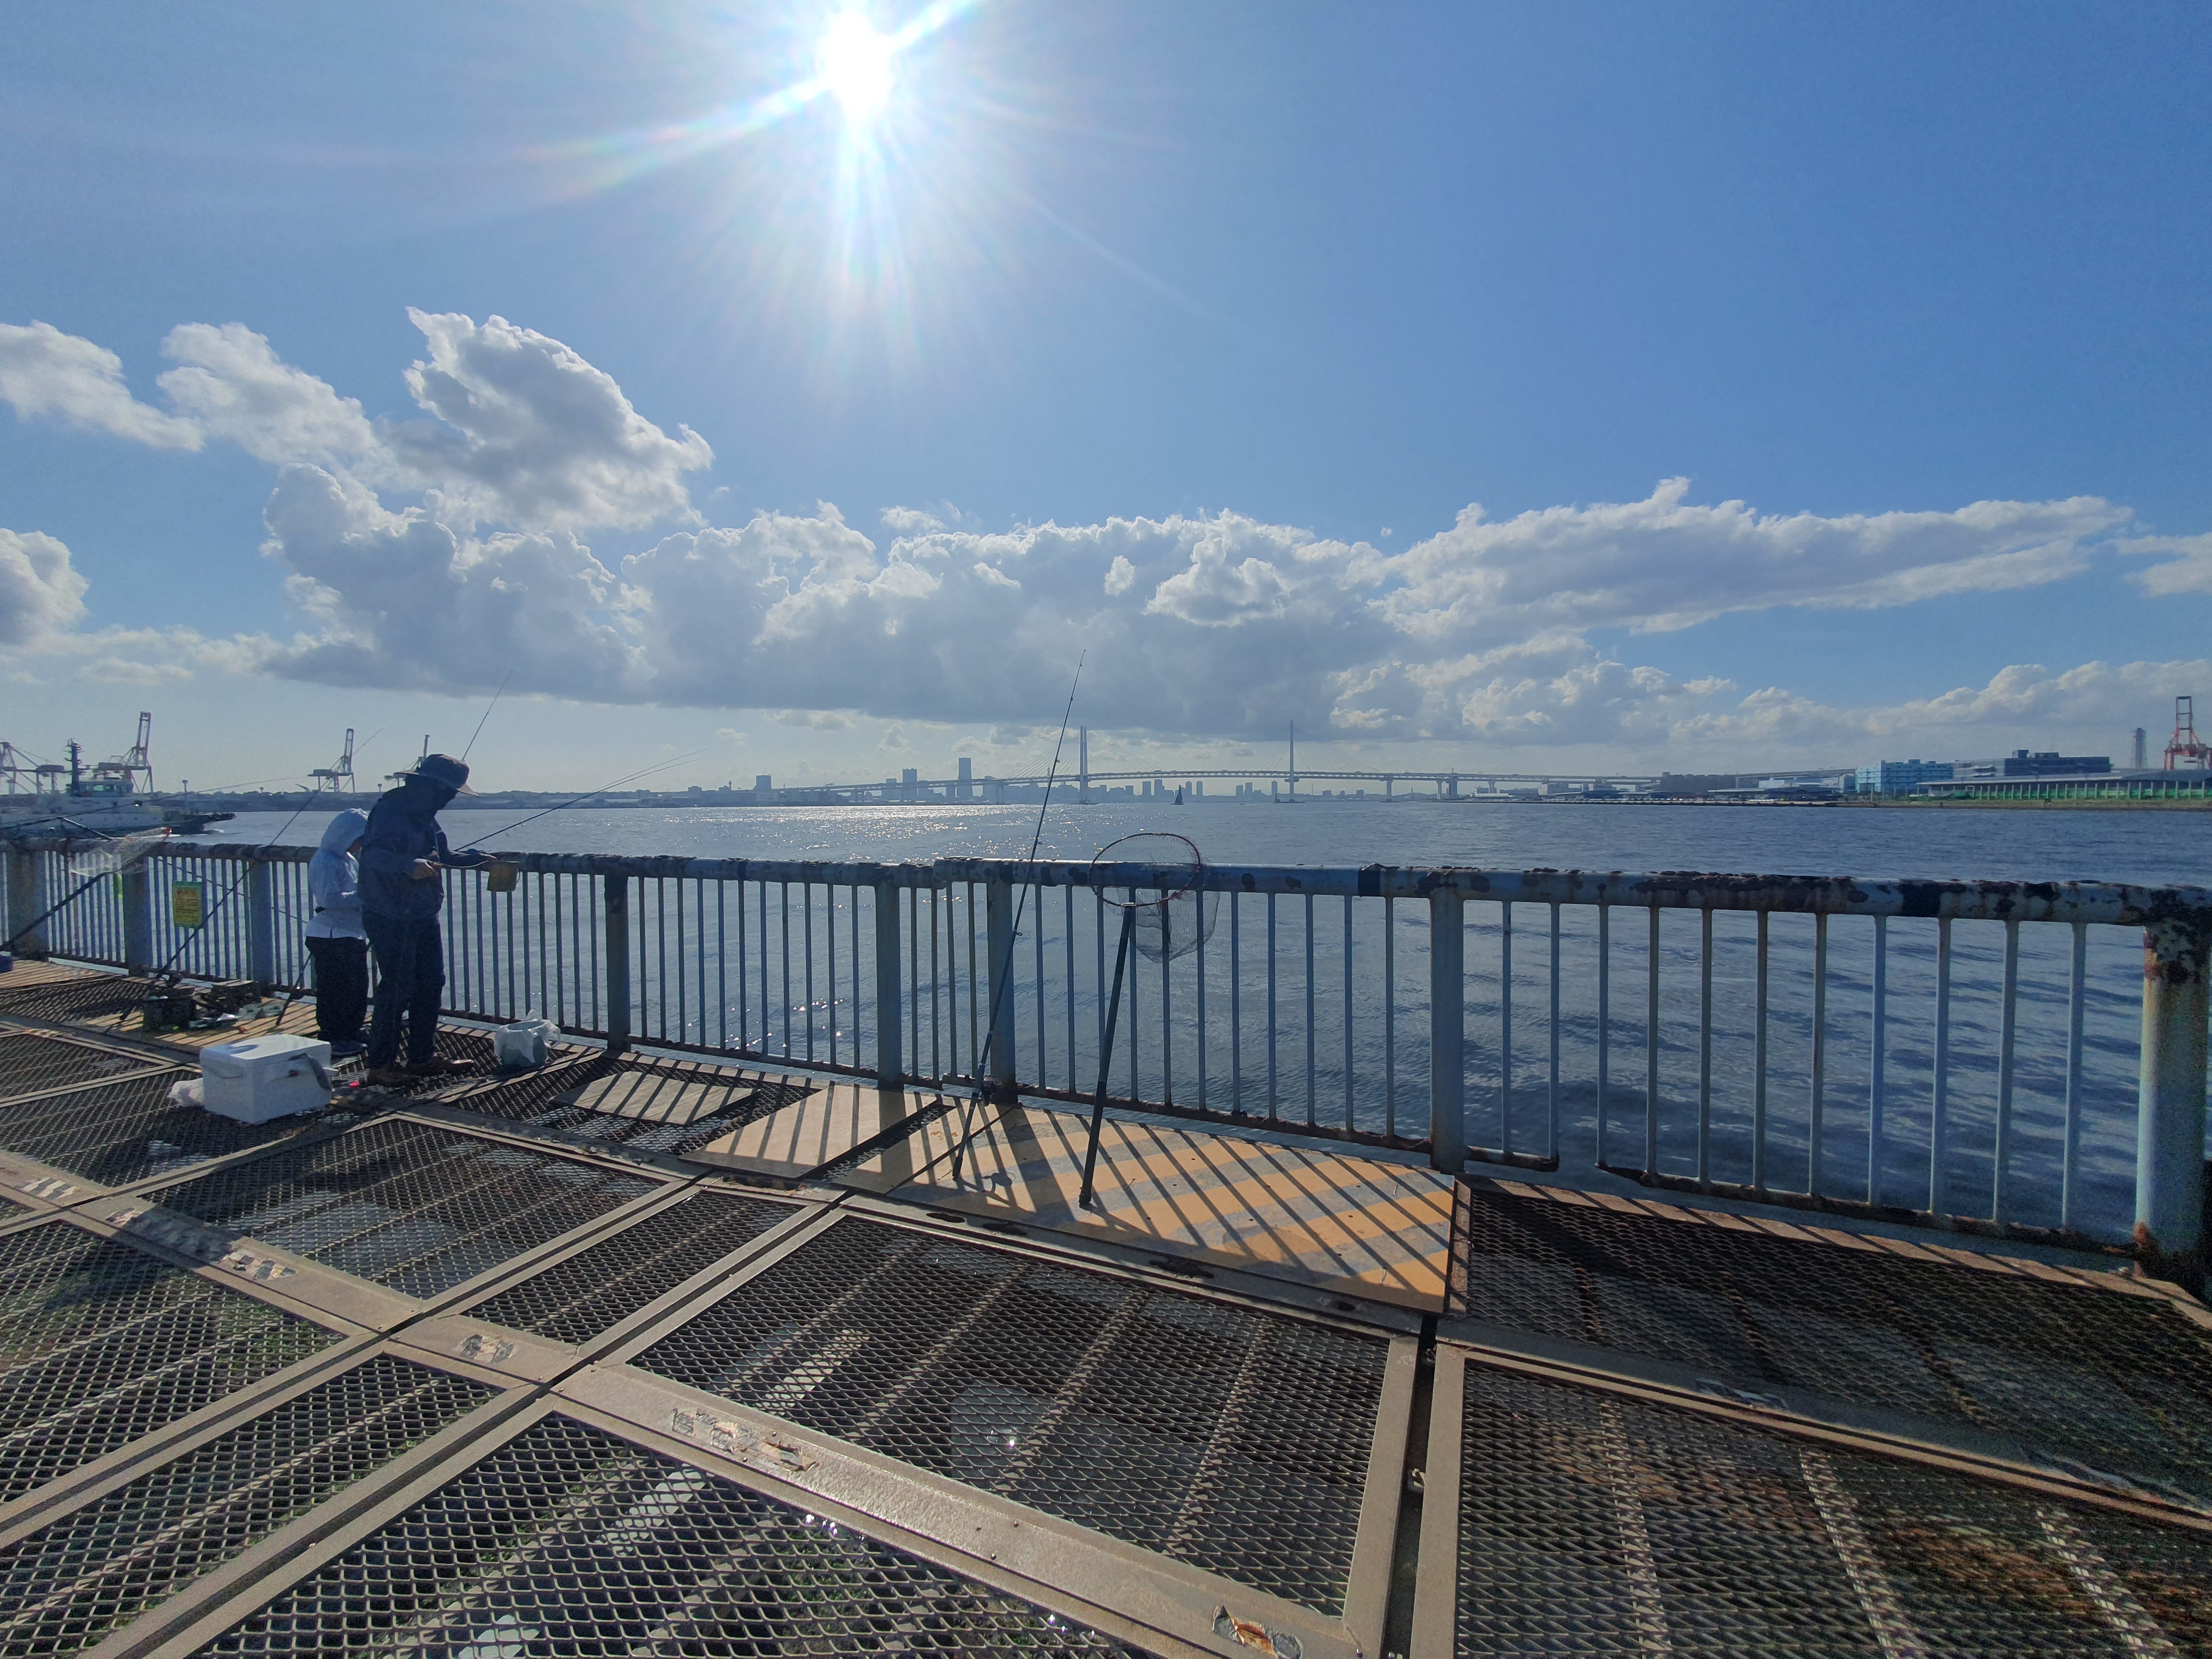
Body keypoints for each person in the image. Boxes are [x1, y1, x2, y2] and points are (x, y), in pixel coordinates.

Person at [358, 754, 493, 1086]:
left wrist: (480, 861)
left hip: (422, 912)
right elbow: (372, 854)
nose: (450, 799)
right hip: (390, 913)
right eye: (449, 791)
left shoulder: (427, 817)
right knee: (398, 988)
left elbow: (443, 857)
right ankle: (381, 1065)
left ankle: (421, 1057)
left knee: (431, 982)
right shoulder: (390, 810)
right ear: (434, 786)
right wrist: (408, 865)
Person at [302, 808, 370, 1057]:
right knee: (335, 989)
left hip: (351, 933)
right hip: (329, 935)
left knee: (357, 987)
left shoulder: (350, 860)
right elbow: (329, 899)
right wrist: (366, 896)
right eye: (359, 838)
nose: (361, 844)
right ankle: (332, 1035)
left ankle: (352, 1030)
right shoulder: (325, 861)